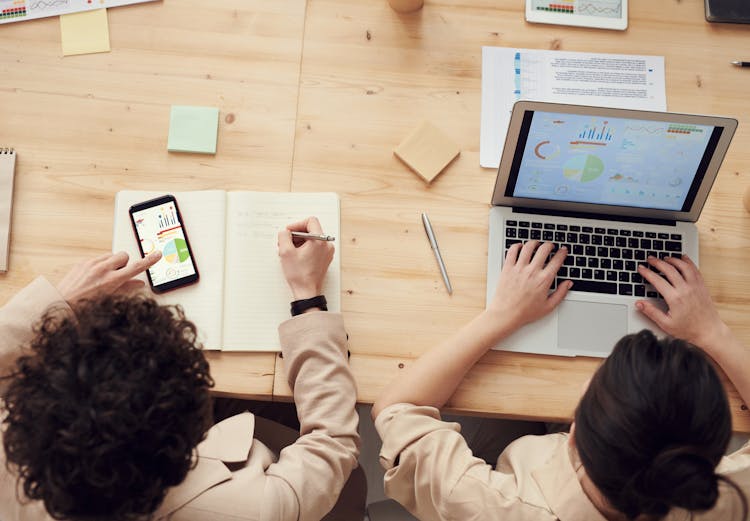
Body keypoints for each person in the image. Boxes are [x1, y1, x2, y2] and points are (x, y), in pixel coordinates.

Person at [0, 217, 363, 521]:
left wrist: (59, 304)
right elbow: (330, 446)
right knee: (355, 483)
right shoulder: (248, 510)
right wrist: (309, 299)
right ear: (188, 440)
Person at [372, 240, 750, 521]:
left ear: (573, 432)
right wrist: (711, 332)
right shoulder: (729, 500)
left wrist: (500, 316)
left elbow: (396, 408)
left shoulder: (490, 505)